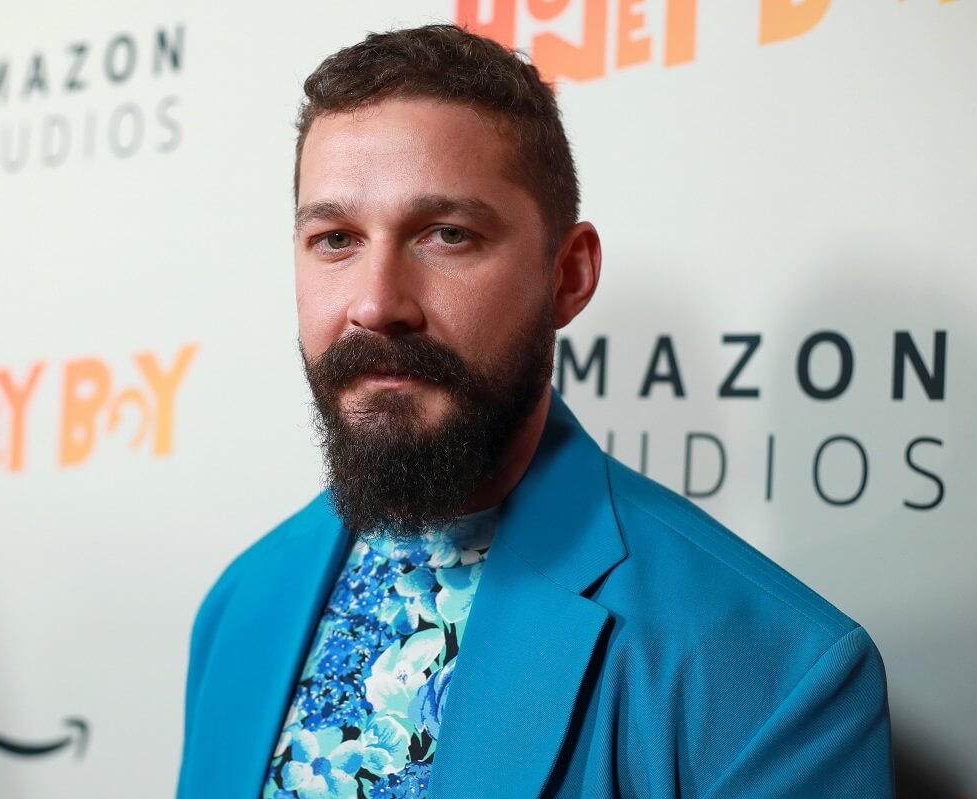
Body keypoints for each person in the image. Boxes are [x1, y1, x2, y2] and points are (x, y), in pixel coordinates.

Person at [176, 24, 893, 799]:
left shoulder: (780, 675)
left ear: (569, 275)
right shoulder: (239, 604)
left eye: (446, 234)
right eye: (336, 238)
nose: (376, 303)